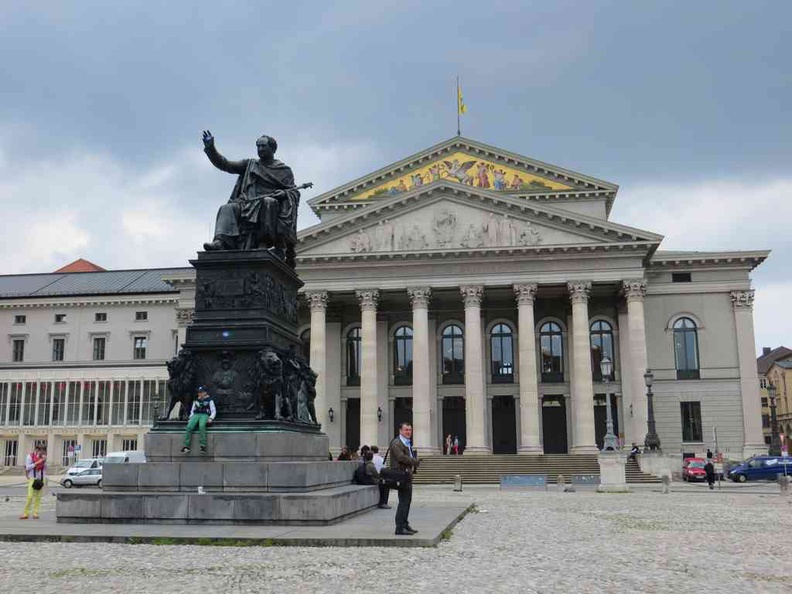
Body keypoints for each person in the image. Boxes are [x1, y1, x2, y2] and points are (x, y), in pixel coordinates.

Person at [390, 422, 420, 535]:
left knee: (407, 501)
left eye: (410, 430)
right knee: (403, 502)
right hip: (401, 475)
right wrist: (415, 461)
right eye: (406, 430)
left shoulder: (406, 443)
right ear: (400, 431)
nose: (409, 432)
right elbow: (400, 457)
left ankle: (405, 524)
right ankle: (399, 527)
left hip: (407, 475)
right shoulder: (397, 443)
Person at [181, 386, 216, 454]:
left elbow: (213, 410)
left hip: (204, 415)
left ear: (205, 393)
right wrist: (190, 417)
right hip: (196, 415)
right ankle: (186, 446)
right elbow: (192, 410)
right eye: (199, 392)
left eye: (201, 392)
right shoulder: (196, 400)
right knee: (189, 427)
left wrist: (211, 418)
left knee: (202, 426)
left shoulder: (210, 400)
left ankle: (203, 446)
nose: (199, 394)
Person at [20, 445, 47, 520]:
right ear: (36, 450)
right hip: (32, 478)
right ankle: (26, 513)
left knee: (38, 497)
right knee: (30, 496)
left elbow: (44, 469)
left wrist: (43, 462)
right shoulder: (30, 456)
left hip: (41, 479)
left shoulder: (44, 457)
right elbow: (27, 467)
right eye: (41, 451)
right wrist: (37, 462)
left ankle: (35, 513)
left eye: (44, 451)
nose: (42, 452)